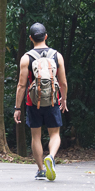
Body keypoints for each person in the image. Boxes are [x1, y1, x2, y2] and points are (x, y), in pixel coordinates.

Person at [13, 23, 68, 180]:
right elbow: (63, 82)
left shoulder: (26, 58)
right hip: (52, 101)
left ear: (30, 38)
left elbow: (21, 85)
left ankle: (41, 170)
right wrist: (63, 99)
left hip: (33, 102)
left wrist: (17, 108)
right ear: (46, 36)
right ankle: (51, 156)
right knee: (55, 134)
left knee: (35, 136)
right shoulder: (57, 56)